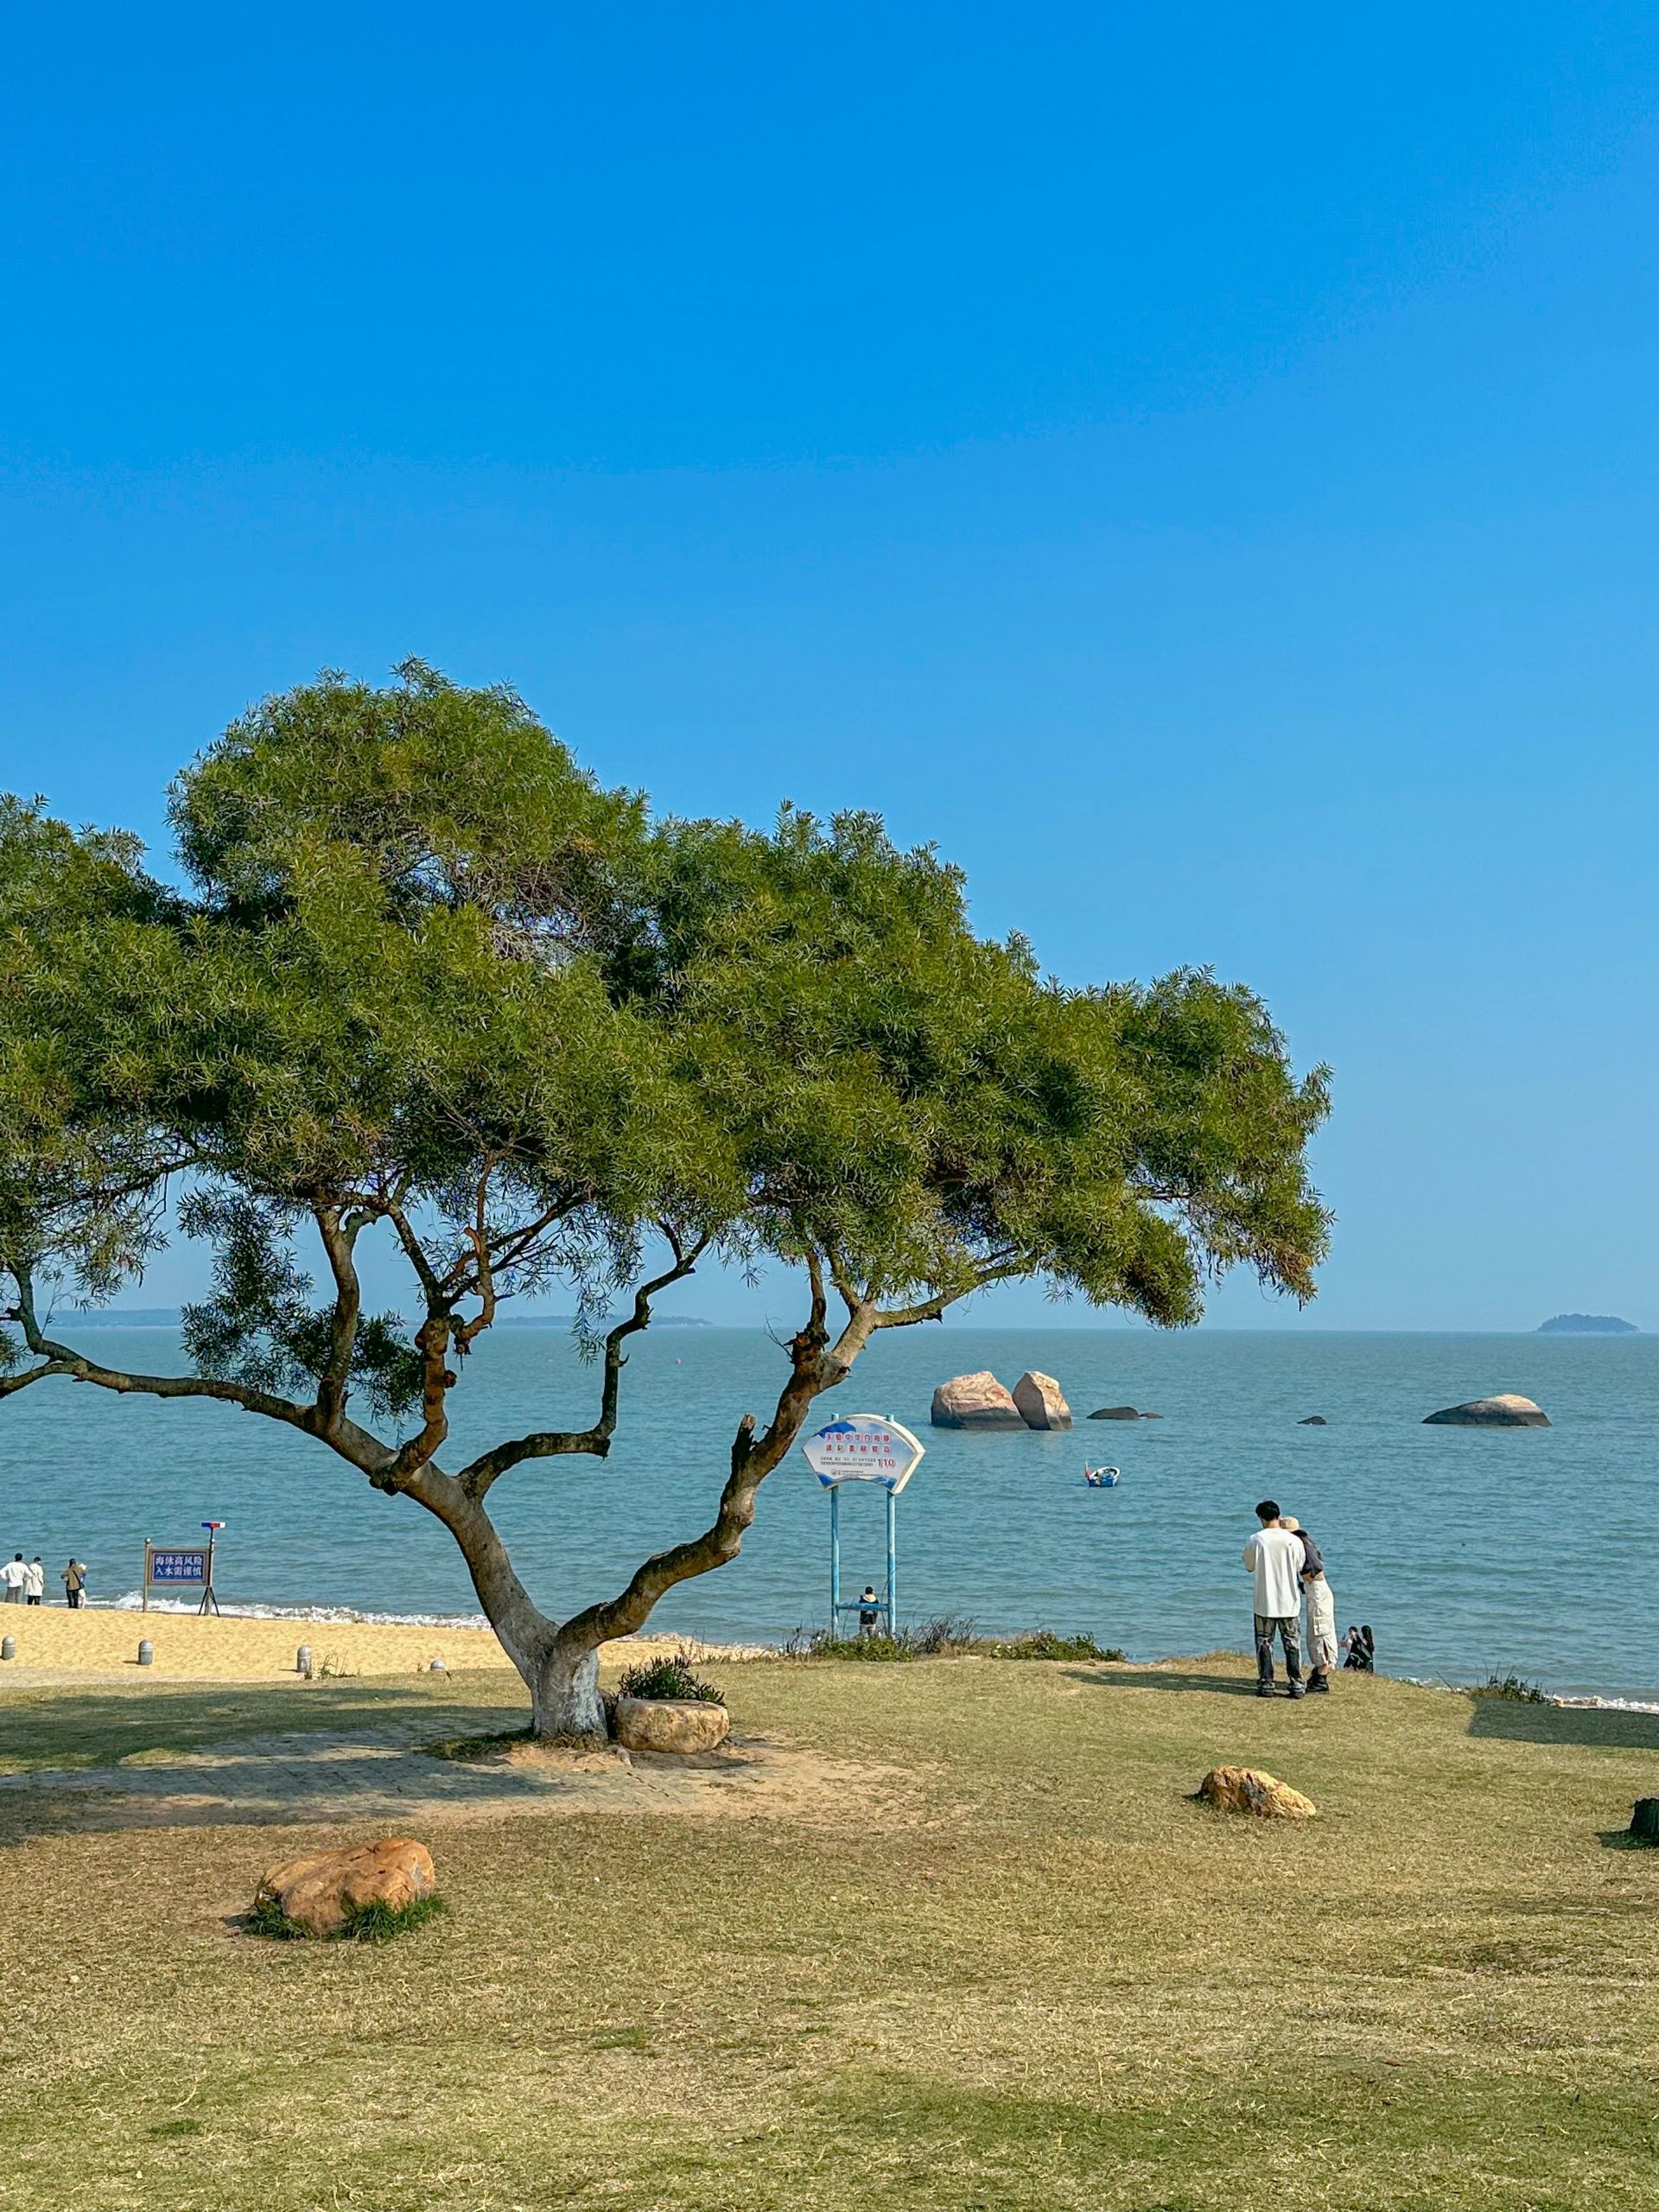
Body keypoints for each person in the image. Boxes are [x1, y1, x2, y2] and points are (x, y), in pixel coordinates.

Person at [1242, 1498, 1306, 1698]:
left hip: (1265, 1600)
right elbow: (1299, 1565)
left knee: (1264, 1643)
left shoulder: (1256, 1539)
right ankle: (1296, 1683)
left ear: (1261, 1518)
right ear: (1279, 1516)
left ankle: (1267, 1683)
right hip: (1289, 1600)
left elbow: (1249, 1565)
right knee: (1292, 1643)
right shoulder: (1293, 1540)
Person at [1279, 1516, 1337, 1694]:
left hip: (1317, 1590)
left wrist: (1304, 1578)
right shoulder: (1306, 1543)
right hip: (1316, 1590)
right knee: (1317, 1631)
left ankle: (1322, 1676)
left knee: (1320, 1632)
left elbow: (1315, 1570)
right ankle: (1319, 1673)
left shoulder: (1302, 1546)